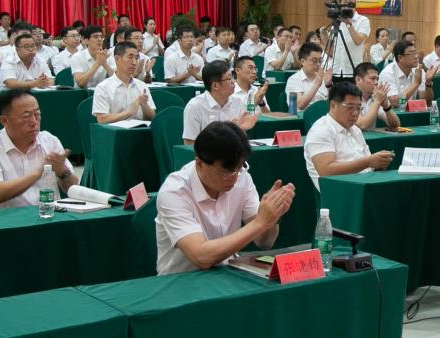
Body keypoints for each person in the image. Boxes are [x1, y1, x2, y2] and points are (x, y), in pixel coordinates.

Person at [154, 121, 295, 275]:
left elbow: (265, 242)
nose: (234, 178)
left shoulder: (242, 177)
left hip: (227, 273)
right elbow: (201, 257)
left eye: (239, 168)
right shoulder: (174, 192)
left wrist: (272, 217)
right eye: (226, 173)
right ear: (199, 163)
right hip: (182, 280)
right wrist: (260, 222)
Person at [0, 88, 78, 210]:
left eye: (37, 114)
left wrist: (63, 172)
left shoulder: (50, 141)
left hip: (46, 216)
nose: (34, 122)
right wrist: (39, 172)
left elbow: (73, 189)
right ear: (4, 120)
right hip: (5, 220)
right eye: (26, 116)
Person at [303, 81, 394, 189]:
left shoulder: (355, 130)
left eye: (358, 108)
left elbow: (368, 167)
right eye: (350, 107)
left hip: (365, 185)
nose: (355, 113)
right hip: (340, 191)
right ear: (333, 105)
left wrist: (379, 164)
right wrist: (368, 162)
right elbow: (326, 171)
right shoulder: (321, 130)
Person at [182, 61, 258, 145]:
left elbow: (242, 142)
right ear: (215, 85)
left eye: (233, 77)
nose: (234, 81)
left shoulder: (238, 102)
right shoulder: (195, 107)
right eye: (229, 78)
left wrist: (241, 129)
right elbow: (189, 143)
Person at [92, 41, 157, 123]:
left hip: (140, 130)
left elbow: (153, 117)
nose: (134, 62)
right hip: (115, 131)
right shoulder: (103, 87)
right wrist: (128, 113)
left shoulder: (142, 86)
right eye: (130, 57)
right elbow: (102, 119)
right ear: (117, 59)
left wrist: (145, 105)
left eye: (136, 58)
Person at [324, 0, 370, 76]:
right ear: (340, 4)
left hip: (353, 70)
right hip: (336, 70)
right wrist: (323, 35)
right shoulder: (337, 20)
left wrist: (349, 24)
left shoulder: (363, 20)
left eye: (351, 2)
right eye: (345, 2)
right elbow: (331, 51)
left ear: (355, 3)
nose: (348, 4)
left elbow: (358, 41)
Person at [285, 41, 331, 113]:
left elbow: (332, 103)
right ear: (302, 61)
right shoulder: (293, 80)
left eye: (320, 60)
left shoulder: (322, 76)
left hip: (323, 115)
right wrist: (316, 85)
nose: (318, 64)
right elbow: (299, 105)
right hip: (302, 117)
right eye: (314, 61)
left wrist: (329, 86)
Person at [352, 61, 398, 130]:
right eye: (372, 78)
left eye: (377, 79)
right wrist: (377, 102)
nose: (376, 82)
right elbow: (362, 126)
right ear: (358, 80)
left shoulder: (374, 98)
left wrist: (386, 107)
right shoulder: (349, 98)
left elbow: (395, 125)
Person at [380, 39, 426, 106]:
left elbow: (426, 101)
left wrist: (428, 83)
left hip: (413, 111)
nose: (416, 57)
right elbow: (395, 103)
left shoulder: (418, 70)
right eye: (411, 54)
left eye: (416, 53)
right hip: (392, 112)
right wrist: (416, 83)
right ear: (400, 58)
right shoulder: (387, 73)